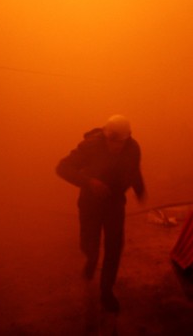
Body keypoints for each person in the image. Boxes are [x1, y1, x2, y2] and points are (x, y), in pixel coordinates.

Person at [56, 114, 146, 313]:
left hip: (114, 203)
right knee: (90, 242)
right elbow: (62, 167)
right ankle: (91, 258)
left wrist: (140, 190)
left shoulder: (132, 148)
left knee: (114, 247)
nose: (114, 146)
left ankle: (106, 291)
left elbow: (133, 170)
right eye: (110, 141)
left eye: (119, 142)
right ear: (105, 136)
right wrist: (89, 182)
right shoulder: (91, 146)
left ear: (127, 137)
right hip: (91, 202)